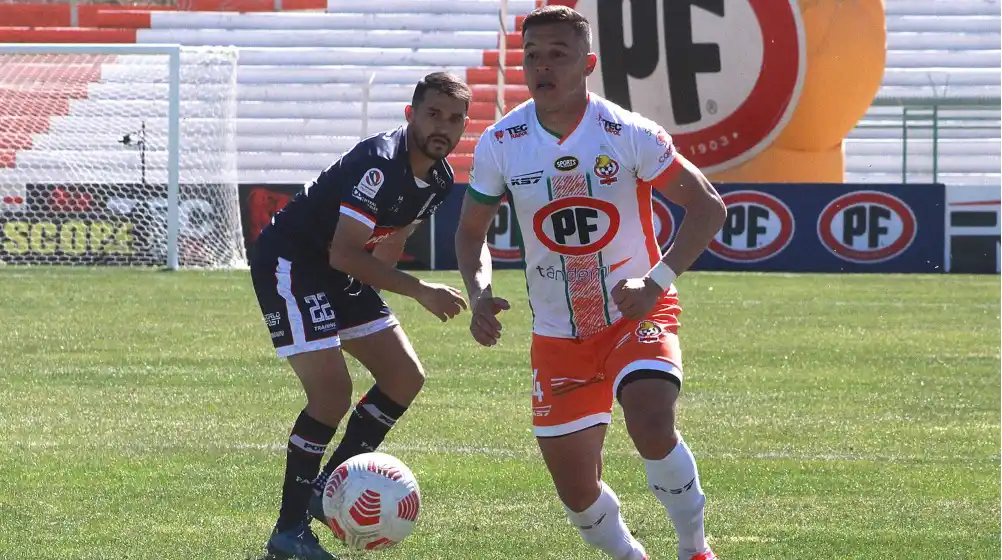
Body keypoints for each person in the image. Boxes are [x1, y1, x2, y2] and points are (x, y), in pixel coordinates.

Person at [454, 6, 727, 560]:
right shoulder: (501, 142)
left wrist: (656, 282)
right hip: (558, 336)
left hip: (635, 315)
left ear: (588, 64)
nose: (542, 67)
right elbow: (469, 231)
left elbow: (707, 208)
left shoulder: (627, 133)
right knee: (577, 492)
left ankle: (695, 548)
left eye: (558, 54)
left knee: (651, 421)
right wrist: (479, 293)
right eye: (532, 55)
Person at [251, 72, 472, 560]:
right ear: (411, 114)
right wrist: (419, 292)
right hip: (294, 263)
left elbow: (390, 242)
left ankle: (326, 486)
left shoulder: (439, 181)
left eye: (455, 119)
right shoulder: (380, 162)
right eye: (433, 114)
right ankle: (288, 534)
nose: (443, 127)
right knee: (331, 394)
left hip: (338, 267)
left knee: (403, 376)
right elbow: (345, 254)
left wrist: (378, 302)